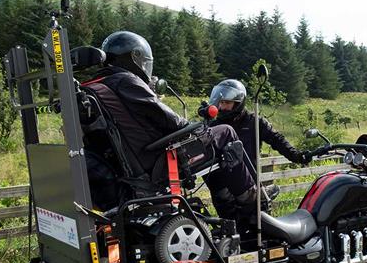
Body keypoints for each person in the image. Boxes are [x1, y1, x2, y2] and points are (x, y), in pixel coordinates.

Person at [81, 31, 257, 212]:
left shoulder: (94, 86)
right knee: (226, 132)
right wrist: (195, 126)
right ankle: (251, 198)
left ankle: (226, 199)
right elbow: (173, 122)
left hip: (128, 164)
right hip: (157, 161)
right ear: (135, 57)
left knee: (214, 146)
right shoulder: (126, 81)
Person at [206, 79, 311, 217]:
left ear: (238, 103)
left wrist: (296, 155)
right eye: (221, 103)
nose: (222, 107)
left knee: (258, 230)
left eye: (227, 103)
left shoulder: (254, 122)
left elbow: (277, 139)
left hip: (249, 187)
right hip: (224, 191)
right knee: (229, 230)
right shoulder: (214, 127)